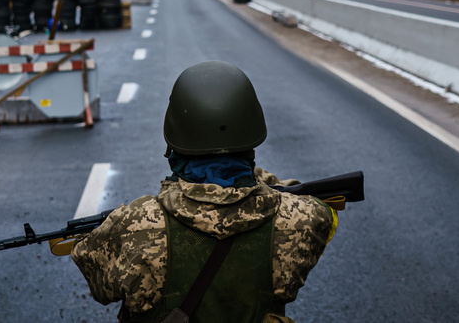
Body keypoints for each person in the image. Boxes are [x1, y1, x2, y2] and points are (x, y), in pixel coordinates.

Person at [71, 61, 337, 323]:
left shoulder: (134, 225)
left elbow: (99, 285)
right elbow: (321, 215)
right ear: (251, 133)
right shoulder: (303, 218)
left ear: (175, 138)